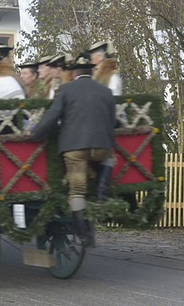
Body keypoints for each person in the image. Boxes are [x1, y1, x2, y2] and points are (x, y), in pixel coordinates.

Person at [30, 53, 116, 248]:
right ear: (92, 71)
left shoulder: (65, 90)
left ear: (75, 71)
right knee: (110, 158)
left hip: (74, 148)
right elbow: (113, 121)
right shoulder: (106, 91)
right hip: (101, 146)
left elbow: (52, 116)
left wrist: (36, 134)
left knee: (77, 190)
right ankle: (103, 189)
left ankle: (83, 234)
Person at [90, 40, 122, 201]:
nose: (91, 60)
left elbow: (113, 98)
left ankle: (102, 191)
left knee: (107, 151)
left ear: (100, 58)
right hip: (99, 117)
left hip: (112, 118)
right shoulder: (96, 75)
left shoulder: (112, 76)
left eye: (93, 57)